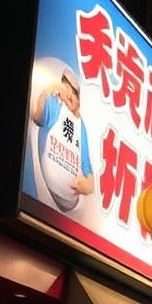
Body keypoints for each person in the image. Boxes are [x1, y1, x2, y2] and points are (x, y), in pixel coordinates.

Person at [31, 65, 94, 211]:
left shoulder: (81, 125)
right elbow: (36, 115)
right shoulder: (54, 104)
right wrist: (50, 88)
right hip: (43, 199)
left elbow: (86, 166)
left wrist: (88, 187)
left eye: (74, 93)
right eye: (66, 89)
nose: (70, 96)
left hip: (72, 205)